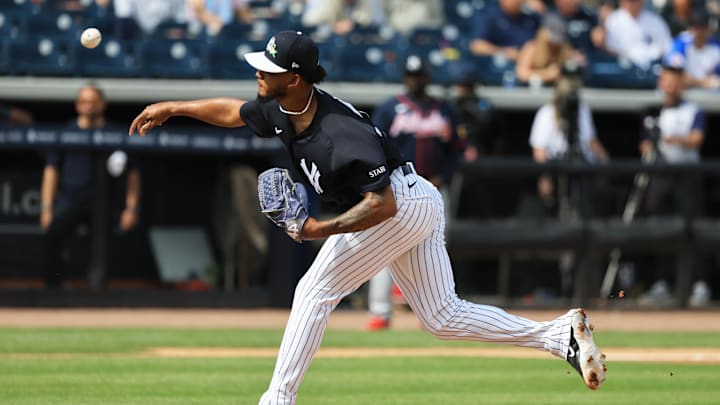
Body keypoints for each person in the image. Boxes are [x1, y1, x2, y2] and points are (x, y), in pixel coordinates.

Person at [129, 30, 607, 404]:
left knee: (314, 290)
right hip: (413, 199)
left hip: (400, 202)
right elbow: (234, 112)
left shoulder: (338, 133)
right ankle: (556, 334)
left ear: (294, 78)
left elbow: (383, 205)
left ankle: (277, 399)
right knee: (442, 317)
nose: (259, 73)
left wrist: (320, 229)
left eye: (269, 69)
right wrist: (174, 107)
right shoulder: (282, 107)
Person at [365, 55, 463, 330]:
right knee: (383, 246)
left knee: (433, 250)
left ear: (427, 78)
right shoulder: (390, 109)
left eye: (420, 75)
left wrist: (443, 176)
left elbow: (456, 149)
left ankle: (430, 312)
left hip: (434, 189)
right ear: (405, 78)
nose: (416, 80)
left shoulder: (444, 110)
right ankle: (380, 312)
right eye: (412, 75)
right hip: (398, 189)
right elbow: (372, 146)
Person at [41, 85, 141, 289]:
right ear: (78, 105)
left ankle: (96, 292)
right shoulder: (66, 133)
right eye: (84, 102)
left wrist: (132, 207)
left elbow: (133, 173)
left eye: (93, 102)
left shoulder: (116, 134)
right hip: (70, 199)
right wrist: (46, 208)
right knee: (54, 235)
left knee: (101, 248)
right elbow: (51, 171)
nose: (88, 106)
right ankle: (53, 288)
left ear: (102, 105)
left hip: (103, 201)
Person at [637, 62, 711, 307]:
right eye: (666, 81)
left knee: (691, 229)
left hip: (686, 174)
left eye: (675, 81)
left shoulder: (693, 110)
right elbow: (645, 144)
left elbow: (696, 140)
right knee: (661, 229)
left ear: (682, 84)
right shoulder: (654, 112)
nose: (670, 86)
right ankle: (662, 283)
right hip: (661, 175)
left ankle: (699, 284)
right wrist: (653, 145)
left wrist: (674, 139)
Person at [529, 73, 609, 213]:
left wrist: (607, 162)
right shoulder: (546, 112)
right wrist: (544, 178)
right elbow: (539, 151)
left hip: (582, 164)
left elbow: (591, 142)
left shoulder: (583, 109)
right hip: (556, 166)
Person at [515, 12, 587, 86]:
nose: (554, 45)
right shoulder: (532, 48)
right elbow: (521, 74)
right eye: (551, 42)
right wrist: (546, 74)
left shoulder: (564, 49)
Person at [604, 0, 672, 69]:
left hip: (651, 68)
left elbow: (667, 47)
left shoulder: (655, 20)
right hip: (622, 68)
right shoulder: (613, 20)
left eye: (634, 1)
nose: (631, 3)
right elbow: (608, 47)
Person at [665, 9, 720, 90]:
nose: (699, 32)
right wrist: (703, 82)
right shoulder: (681, 43)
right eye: (696, 28)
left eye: (703, 28)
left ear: (709, 29)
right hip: (684, 92)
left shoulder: (716, 46)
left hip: (710, 94)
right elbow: (674, 74)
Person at [469, 0, 540, 62]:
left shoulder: (531, 19)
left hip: (529, 63)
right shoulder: (489, 16)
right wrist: (504, 52)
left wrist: (540, 10)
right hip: (501, 64)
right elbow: (476, 46)